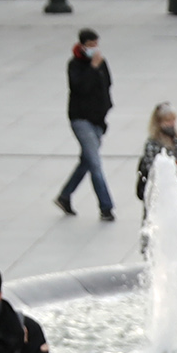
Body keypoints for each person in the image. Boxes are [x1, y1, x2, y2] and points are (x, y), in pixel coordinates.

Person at [55, 27, 116, 220]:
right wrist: (92, 69)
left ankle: (65, 195)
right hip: (81, 119)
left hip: (97, 119)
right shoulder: (75, 65)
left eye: (96, 44)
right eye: (90, 45)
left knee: (87, 161)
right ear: (82, 45)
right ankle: (106, 206)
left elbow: (107, 86)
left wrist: (105, 111)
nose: (94, 48)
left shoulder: (101, 62)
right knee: (95, 163)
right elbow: (80, 88)